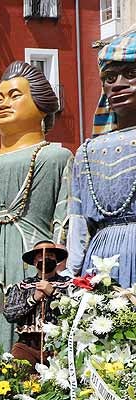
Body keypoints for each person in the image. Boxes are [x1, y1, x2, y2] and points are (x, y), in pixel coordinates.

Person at [0, 61, 72, 351]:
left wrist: (58, 258)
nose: (3, 103)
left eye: (14, 95)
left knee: (28, 335)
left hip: (35, 260)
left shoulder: (56, 157)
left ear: (40, 105)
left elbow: (64, 213)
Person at [67, 32, 136, 287]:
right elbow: (78, 224)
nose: (117, 84)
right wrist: (71, 278)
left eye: (130, 74)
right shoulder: (86, 152)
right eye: (109, 77)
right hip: (100, 261)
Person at [3, 241, 72, 364]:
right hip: (27, 345)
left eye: (50, 255)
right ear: (34, 262)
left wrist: (53, 293)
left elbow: (75, 309)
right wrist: (33, 299)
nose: (46, 258)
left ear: (56, 260)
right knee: (18, 376)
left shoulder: (68, 284)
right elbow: (9, 314)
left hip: (59, 345)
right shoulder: (22, 286)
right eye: (40, 256)